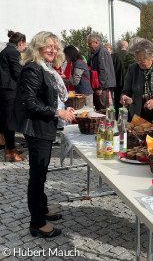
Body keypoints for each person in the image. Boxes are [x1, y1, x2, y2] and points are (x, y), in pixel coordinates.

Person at [10, 31, 75, 238]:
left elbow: (47, 98)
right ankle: (36, 223)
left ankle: (43, 209)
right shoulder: (33, 68)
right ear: (37, 47)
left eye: (55, 47)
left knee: (42, 172)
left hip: (44, 126)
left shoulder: (45, 68)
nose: (52, 50)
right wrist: (58, 112)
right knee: (37, 175)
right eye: (48, 46)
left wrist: (63, 109)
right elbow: (28, 102)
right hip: (36, 129)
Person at [0, 30, 26, 161]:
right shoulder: (13, 52)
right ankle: (10, 152)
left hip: (5, 90)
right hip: (9, 90)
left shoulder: (5, 51)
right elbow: (18, 73)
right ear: (20, 43)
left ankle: (10, 148)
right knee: (9, 121)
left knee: (6, 120)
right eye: (24, 46)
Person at [87, 34, 116, 111]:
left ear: (96, 43)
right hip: (102, 86)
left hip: (103, 87)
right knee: (100, 109)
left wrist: (100, 87)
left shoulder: (101, 52)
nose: (88, 45)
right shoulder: (98, 52)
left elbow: (103, 71)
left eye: (90, 43)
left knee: (103, 110)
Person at [112, 40, 128, 117]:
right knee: (129, 101)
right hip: (128, 82)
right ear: (127, 47)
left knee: (118, 102)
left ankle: (117, 119)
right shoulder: (131, 56)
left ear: (119, 47)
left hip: (117, 82)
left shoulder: (114, 56)